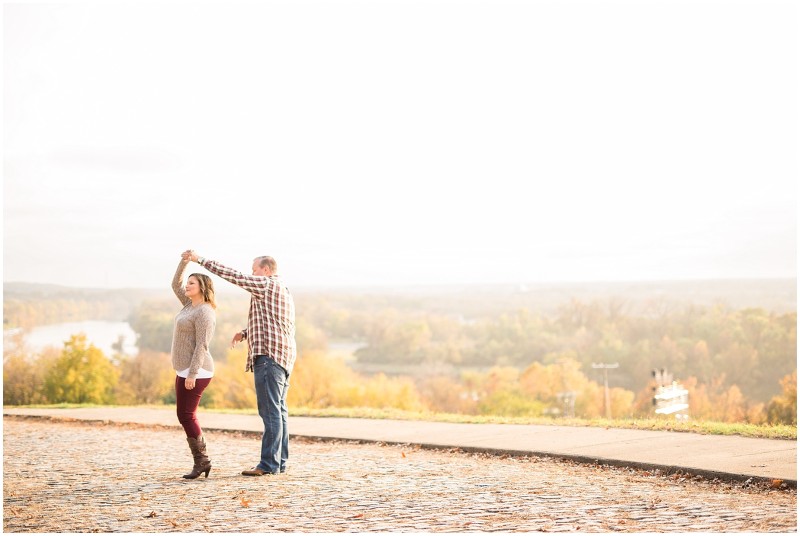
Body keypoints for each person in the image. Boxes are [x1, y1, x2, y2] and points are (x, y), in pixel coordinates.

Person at [182, 249, 296, 476]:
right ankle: (279, 462)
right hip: (284, 356)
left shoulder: (265, 284)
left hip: (269, 357)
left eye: (254, 270)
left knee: (270, 412)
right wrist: (245, 333)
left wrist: (200, 260)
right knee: (279, 411)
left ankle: (268, 465)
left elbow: (233, 276)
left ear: (265, 270)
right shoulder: (283, 289)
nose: (251, 274)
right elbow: (274, 323)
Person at [170, 255, 217, 479]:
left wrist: (193, 373)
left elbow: (202, 345)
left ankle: (203, 461)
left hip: (197, 370)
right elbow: (174, 284)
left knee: (186, 415)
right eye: (188, 282)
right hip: (185, 368)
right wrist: (185, 262)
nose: (187, 286)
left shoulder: (205, 312)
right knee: (184, 415)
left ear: (202, 288)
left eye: (192, 283)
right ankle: (202, 461)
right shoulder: (189, 305)